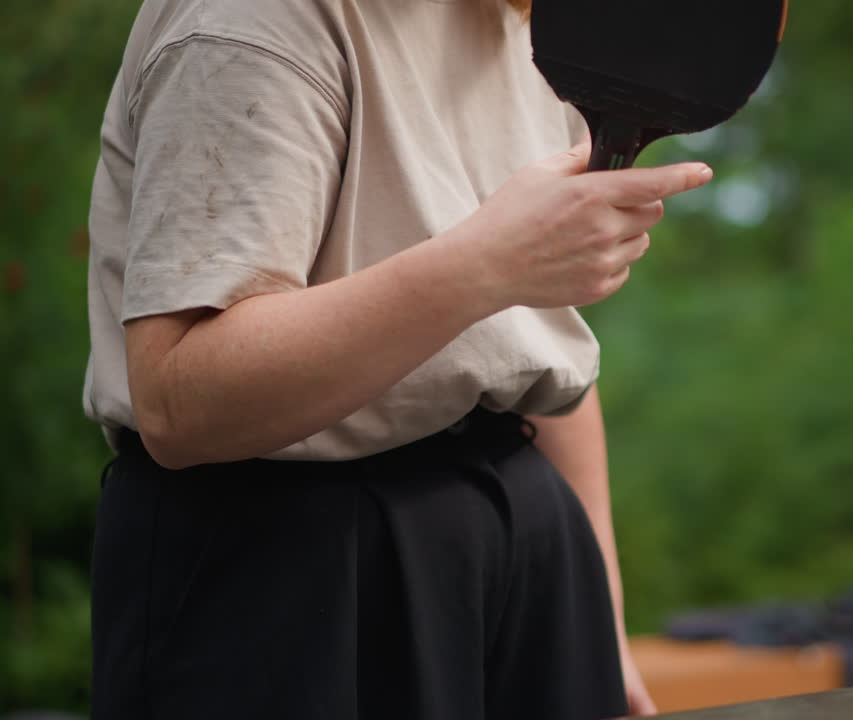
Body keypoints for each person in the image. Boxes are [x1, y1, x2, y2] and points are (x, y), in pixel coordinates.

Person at [82, 0, 712, 718]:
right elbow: (181, 402)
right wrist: (485, 265)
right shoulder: (253, 17)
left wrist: (601, 615)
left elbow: (535, 351)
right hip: (285, 574)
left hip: (525, 542)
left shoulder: (537, 25)